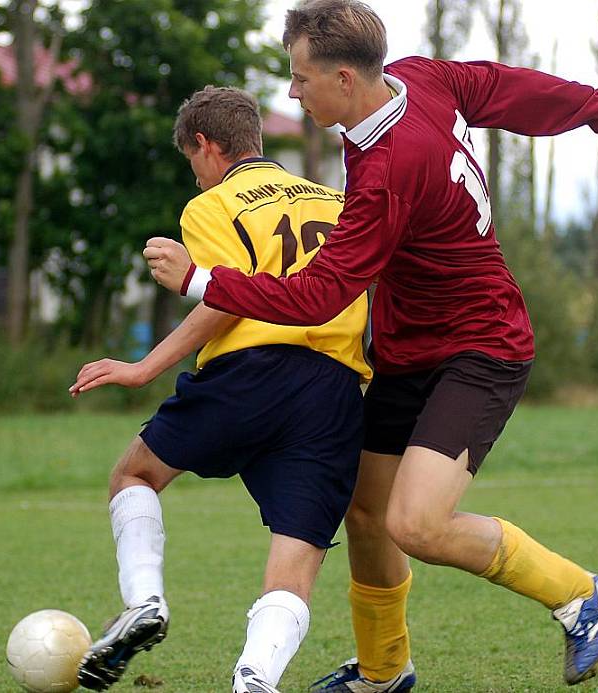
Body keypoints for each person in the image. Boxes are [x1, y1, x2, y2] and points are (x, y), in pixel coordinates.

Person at [148, 2, 598, 690]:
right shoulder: (416, 79)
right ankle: (384, 670)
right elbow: (505, 86)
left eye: (300, 79)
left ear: (342, 78)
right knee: (366, 509)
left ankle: (580, 595)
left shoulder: (390, 168)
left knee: (417, 523)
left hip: (479, 346)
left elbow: (319, 295)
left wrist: (202, 280)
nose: (291, 93)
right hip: (410, 349)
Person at [68, 85, 371, 693]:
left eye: (191, 161)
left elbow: (224, 300)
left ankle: (144, 602)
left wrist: (142, 368)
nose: (196, 175)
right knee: (298, 555)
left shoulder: (211, 207)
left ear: (204, 146)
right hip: (335, 390)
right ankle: (254, 679)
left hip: (250, 373)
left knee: (134, 475)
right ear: (255, 139)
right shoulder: (339, 201)